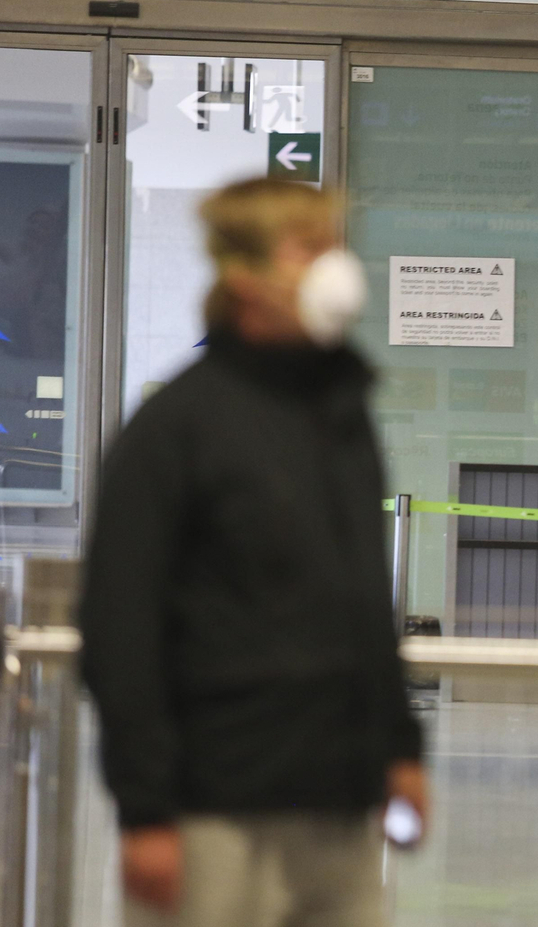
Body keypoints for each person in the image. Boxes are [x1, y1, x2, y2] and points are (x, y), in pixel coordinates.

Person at [78, 178, 426, 927]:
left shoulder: (342, 416)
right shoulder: (176, 428)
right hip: (212, 803)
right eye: (310, 248)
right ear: (245, 275)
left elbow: (365, 595)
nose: (337, 267)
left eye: (334, 246)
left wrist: (399, 747)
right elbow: (120, 624)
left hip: (337, 797)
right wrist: (144, 810)